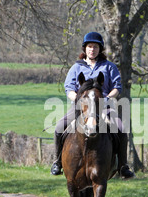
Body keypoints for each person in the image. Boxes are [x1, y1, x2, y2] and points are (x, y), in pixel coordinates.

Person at [50, 31, 135, 179]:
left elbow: (117, 87)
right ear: (85, 49)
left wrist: (108, 98)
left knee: (121, 129)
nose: (92, 49)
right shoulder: (76, 67)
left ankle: (123, 166)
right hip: (81, 108)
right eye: (89, 47)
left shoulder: (109, 67)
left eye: (95, 47)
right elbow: (69, 88)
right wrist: (77, 99)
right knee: (59, 127)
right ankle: (57, 162)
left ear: (99, 49)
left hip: (104, 106)